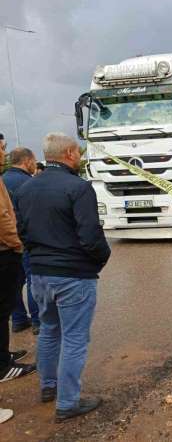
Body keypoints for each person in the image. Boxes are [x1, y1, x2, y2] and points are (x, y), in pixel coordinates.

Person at [15, 133, 111, 422]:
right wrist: (100, 260)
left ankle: (48, 386)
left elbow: (23, 232)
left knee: (48, 329)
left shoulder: (26, 188)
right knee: (74, 338)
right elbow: (91, 236)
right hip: (73, 276)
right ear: (70, 153)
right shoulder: (78, 188)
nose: (79, 157)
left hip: (40, 275)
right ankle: (68, 403)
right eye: (77, 153)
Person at [0, 140, 36, 383]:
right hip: (6, 250)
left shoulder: (5, 178)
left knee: (7, 305)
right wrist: (18, 243)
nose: (4, 152)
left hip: (7, 249)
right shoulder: (27, 182)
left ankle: (4, 355)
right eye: (0, 148)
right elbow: (3, 218)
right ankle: (3, 366)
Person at [3, 147, 40, 335]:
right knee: (34, 280)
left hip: (6, 242)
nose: (35, 165)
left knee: (15, 283)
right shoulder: (29, 183)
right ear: (27, 161)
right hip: (25, 239)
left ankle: (18, 319)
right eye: (34, 161)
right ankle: (37, 321)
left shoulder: (2, 180)